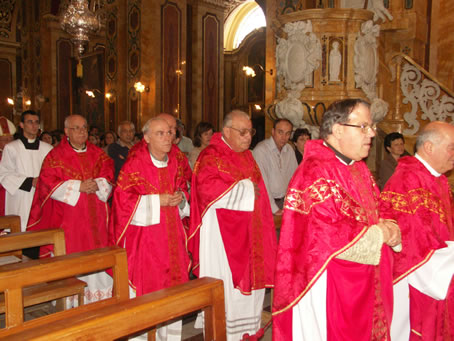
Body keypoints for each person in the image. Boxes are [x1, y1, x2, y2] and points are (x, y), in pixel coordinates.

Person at [273, 99, 401, 341]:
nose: (372, 133)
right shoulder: (314, 171)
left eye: (371, 126)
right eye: (363, 126)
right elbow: (326, 235)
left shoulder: (358, 168)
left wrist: (391, 227)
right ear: (338, 129)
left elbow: (379, 207)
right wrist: (381, 234)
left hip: (364, 281)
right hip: (332, 284)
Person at [188, 110, 277, 340]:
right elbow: (205, 188)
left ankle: (249, 329)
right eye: (243, 132)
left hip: (250, 232)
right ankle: (225, 331)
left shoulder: (246, 156)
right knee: (227, 286)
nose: (248, 137)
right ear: (226, 131)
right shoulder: (211, 155)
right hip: (222, 237)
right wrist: (245, 189)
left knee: (252, 280)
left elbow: (259, 192)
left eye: (251, 131)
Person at [110, 117, 190, 341]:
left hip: (173, 239)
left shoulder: (176, 161)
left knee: (173, 296)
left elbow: (186, 188)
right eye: (160, 133)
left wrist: (181, 198)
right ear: (146, 138)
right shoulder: (135, 165)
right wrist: (158, 201)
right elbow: (122, 204)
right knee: (149, 294)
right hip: (146, 243)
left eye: (170, 133)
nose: (168, 138)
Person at [27, 114, 114, 304]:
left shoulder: (99, 154)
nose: (82, 131)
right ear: (66, 131)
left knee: (98, 253)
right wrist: (78, 187)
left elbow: (108, 174)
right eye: (77, 128)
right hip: (69, 220)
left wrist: (99, 184)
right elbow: (47, 184)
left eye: (84, 127)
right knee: (73, 256)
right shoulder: (55, 156)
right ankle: (70, 302)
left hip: (97, 218)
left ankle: (100, 298)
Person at [380, 121, 454, 340]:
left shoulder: (437, 179)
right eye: (451, 147)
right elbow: (413, 241)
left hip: (440, 265)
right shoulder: (407, 179)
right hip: (416, 276)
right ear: (430, 147)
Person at [0, 111, 52, 232]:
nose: (34, 125)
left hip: (42, 197)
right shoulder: (11, 148)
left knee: (41, 232)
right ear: (22, 125)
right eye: (30, 122)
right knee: (21, 232)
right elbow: (4, 174)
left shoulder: (48, 148)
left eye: (36, 122)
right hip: (20, 197)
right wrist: (30, 181)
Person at [253, 118, 298, 215]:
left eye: (287, 133)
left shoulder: (289, 149)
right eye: (280, 132)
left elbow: (295, 178)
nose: (284, 137)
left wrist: (294, 203)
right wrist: (274, 209)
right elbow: (262, 183)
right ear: (273, 131)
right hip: (267, 204)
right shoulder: (261, 150)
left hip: (286, 202)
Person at [0, 116, 16, 217]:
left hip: (14, 195)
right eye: (5, 140)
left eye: (11, 139)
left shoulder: (17, 152)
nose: (9, 143)